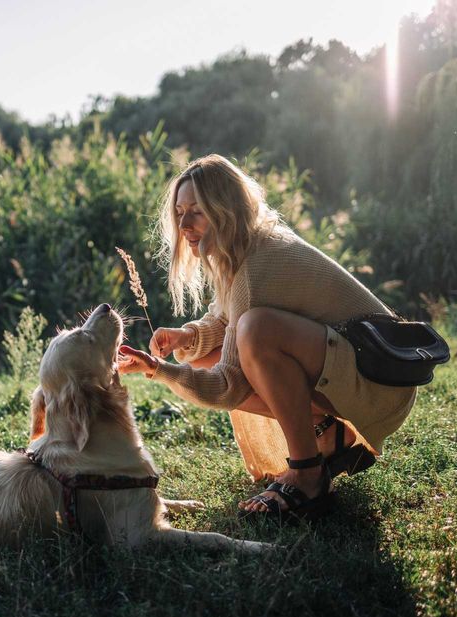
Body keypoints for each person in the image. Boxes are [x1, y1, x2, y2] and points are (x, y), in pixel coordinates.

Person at [117, 155, 416, 522]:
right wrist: (188, 335)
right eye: (179, 212)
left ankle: (308, 473)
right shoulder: (246, 249)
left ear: (225, 210)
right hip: (360, 371)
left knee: (257, 331)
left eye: (196, 211)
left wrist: (158, 370)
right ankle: (327, 437)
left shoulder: (257, 268)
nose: (183, 224)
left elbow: (227, 384)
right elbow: (227, 319)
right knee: (201, 354)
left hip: (379, 386)